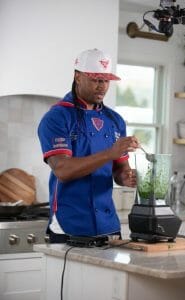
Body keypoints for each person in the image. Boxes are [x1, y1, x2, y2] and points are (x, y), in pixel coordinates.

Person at [38, 48, 139, 243]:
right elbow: (62, 170)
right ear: (78, 76)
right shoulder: (57, 117)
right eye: (95, 79)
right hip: (70, 223)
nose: (102, 86)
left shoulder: (115, 120)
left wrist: (125, 177)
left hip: (108, 224)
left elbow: (119, 169)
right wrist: (110, 152)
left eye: (106, 80)